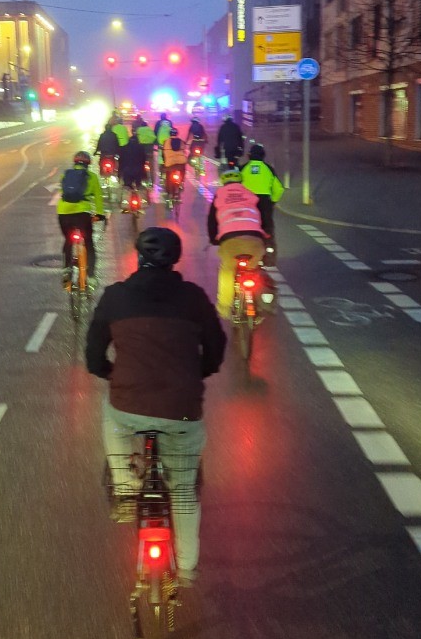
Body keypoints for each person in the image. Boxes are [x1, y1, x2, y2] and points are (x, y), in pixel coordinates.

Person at [86, 227, 227, 585]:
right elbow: (216, 346)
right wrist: (199, 371)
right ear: (175, 260)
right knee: (183, 491)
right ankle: (187, 568)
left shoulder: (115, 297)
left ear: (138, 257)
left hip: (128, 404)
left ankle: (125, 488)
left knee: (112, 416)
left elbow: (93, 355)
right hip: (182, 409)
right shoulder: (193, 298)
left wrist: (110, 373)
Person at [207, 166, 268, 318]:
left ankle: (224, 308)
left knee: (227, 271)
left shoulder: (219, 196)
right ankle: (259, 304)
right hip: (254, 239)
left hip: (230, 241)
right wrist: (265, 235)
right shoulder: (250, 194)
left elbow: (211, 222)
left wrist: (213, 239)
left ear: (223, 182)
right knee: (255, 270)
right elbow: (264, 216)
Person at [57, 151, 105, 290]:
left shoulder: (65, 175)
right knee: (88, 243)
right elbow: (98, 197)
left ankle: (67, 269)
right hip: (82, 214)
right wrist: (100, 214)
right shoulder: (92, 177)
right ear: (88, 164)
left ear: (75, 162)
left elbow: (63, 193)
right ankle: (91, 276)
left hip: (63, 212)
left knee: (68, 239)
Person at [240, 143, 285, 251]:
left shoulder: (242, 168)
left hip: (246, 203)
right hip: (264, 203)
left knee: (243, 227)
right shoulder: (268, 169)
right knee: (267, 227)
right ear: (263, 155)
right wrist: (272, 201)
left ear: (249, 155)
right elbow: (279, 189)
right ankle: (269, 249)